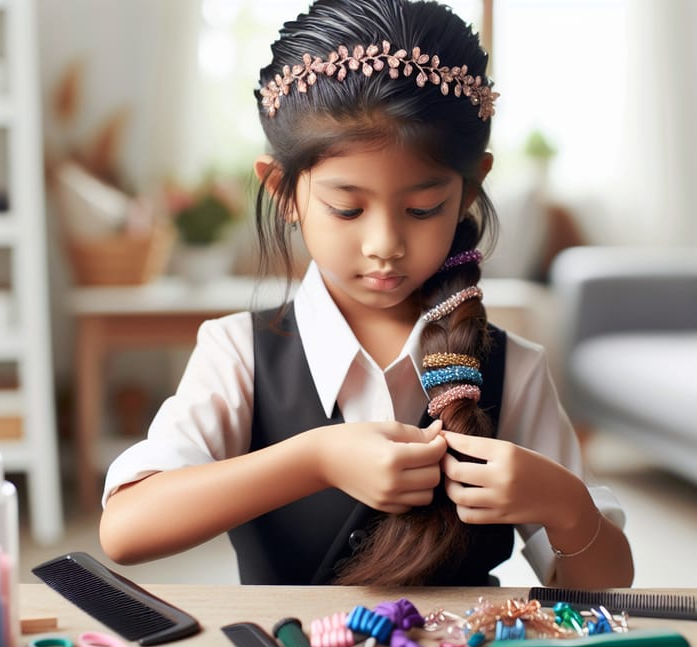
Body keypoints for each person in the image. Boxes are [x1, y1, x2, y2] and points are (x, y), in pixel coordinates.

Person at [100, 0, 633, 588]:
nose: (385, 244)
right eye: (347, 208)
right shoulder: (237, 354)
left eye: (422, 209)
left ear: (470, 188)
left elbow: (604, 590)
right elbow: (126, 529)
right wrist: (315, 459)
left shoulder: (516, 369)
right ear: (284, 192)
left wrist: (566, 506)